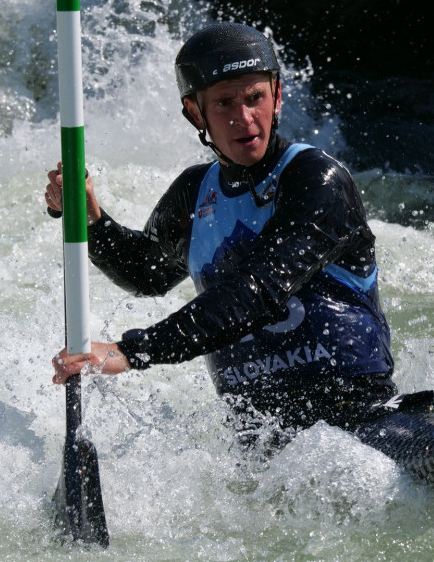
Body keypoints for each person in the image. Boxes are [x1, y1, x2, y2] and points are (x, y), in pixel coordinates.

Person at [45, 22, 396, 448]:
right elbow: (145, 272)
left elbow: (258, 292)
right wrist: (89, 219)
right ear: (196, 113)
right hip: (257, 443)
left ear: (277, 95)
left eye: (255, 98)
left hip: (357, 421)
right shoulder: (195, 192)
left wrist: (130, 352)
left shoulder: (315, 178)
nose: (244, 118)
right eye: (225, 102)